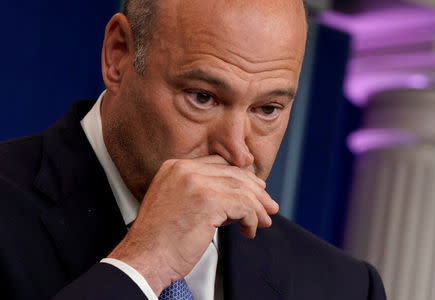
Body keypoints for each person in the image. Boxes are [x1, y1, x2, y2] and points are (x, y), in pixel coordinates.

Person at [0, 0, 386, 299]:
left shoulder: (344, 287)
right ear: (118, 55)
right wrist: (143, 265)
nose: (238, 152)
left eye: (267, 109)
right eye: (203, 97)